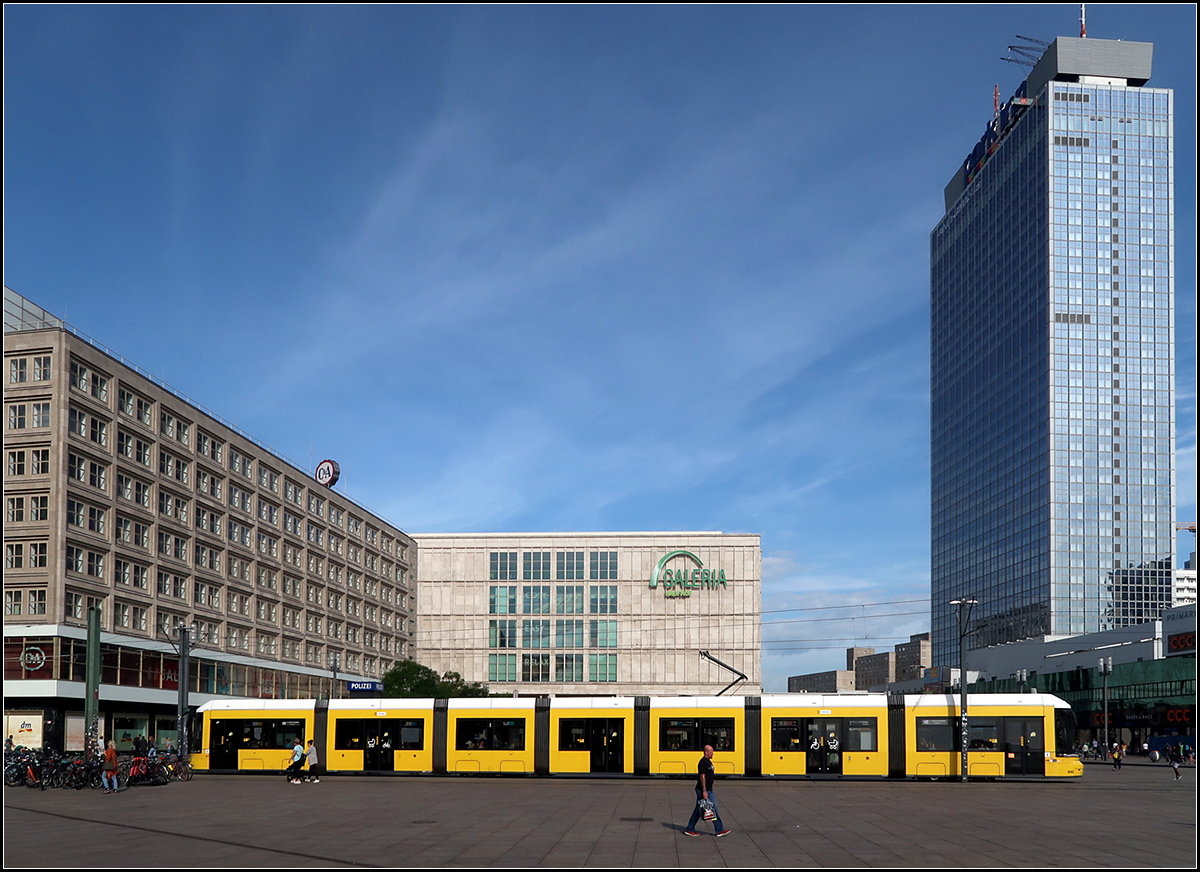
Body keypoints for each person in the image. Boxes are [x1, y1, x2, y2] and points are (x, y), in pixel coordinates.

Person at [684, 744, 731, 838]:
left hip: (709, 790)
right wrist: (704, 791)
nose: (713, 753)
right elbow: (702, 777)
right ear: (706, 752)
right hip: (703, 790)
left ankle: (690, 828)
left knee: (702, 809)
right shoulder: (703, 762)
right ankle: (719, 830)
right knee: (708, 808)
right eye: (711, 752)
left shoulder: (708, 762)